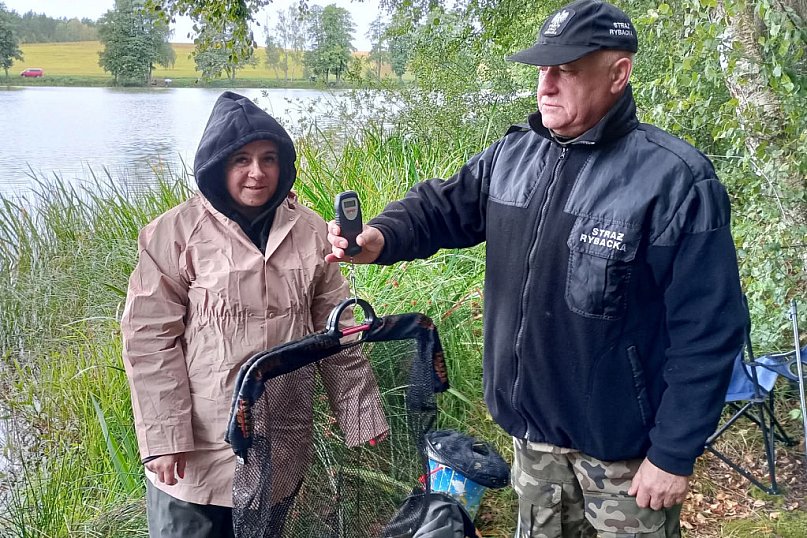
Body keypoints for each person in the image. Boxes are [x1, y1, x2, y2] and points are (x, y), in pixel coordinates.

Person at [325, 1, 746, 536]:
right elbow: (440, 207)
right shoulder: (513, 155)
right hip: (533, 444)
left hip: (626, 459)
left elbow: (710, 330)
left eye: (566, 70)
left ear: (619, 74)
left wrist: (674, 452)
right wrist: (378, 238)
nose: (545, 85)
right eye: (542, 69)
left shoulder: (675, 180)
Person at [121, 91, 388, 538]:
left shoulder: (309, 230)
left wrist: (359, 414)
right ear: (216, 165)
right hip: (199, 449)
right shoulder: (173, 233)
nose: (256, 173)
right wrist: (165, 440)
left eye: (268, 159)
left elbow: (339, 327)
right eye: (241, 160)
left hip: (280, 439)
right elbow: (149, 340)